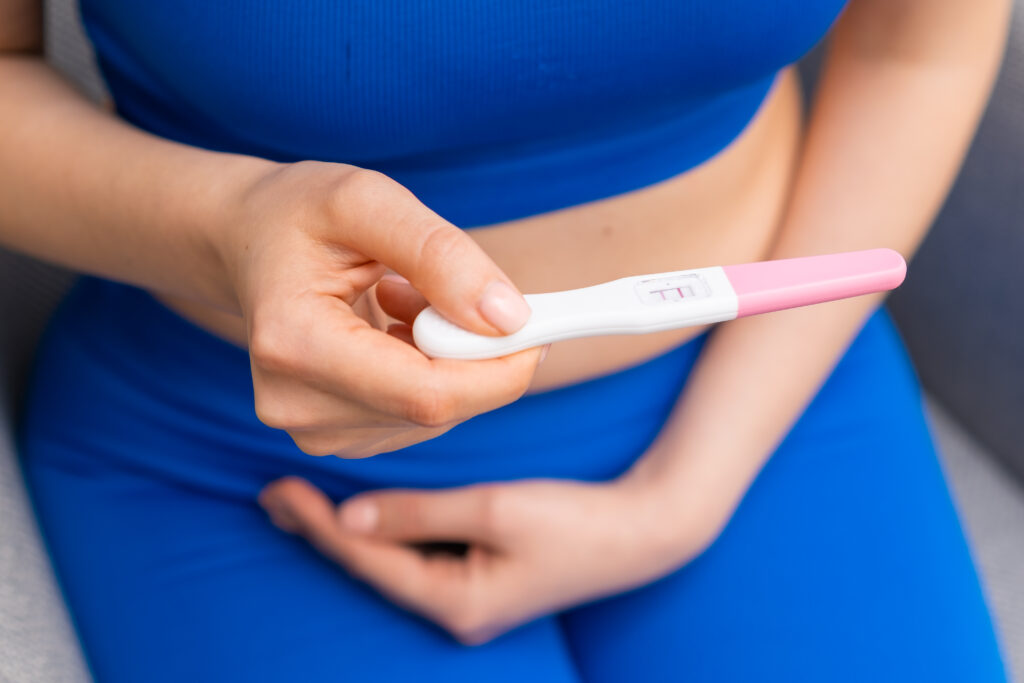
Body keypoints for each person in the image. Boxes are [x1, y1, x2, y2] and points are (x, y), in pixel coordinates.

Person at [1, 0, 1011, 680]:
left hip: (772, 388)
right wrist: (228, 227)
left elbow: (916, 41)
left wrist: (681, 496)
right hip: (240, 457)